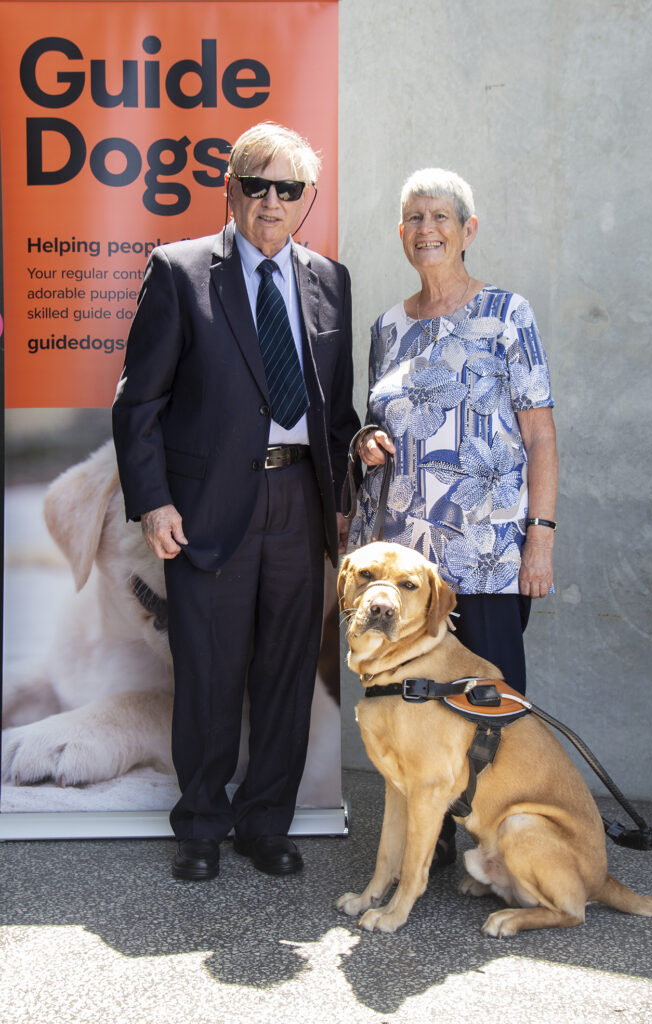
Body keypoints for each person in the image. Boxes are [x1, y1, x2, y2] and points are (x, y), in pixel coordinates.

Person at [112, 122, 359, 881]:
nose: (271, 201)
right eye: (258, 184)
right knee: (209, 669)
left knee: (286, 670)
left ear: (307, 199)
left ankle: (265, 823)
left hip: (298, 501)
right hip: (207, 505)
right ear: (232, 190)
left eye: (288, 188)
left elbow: (336, 409)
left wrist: (347, 490)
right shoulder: (180, 271)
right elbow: (138, 403)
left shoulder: (330, 279)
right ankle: (201, 825)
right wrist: (153, 503)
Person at [349, 167, 558, 867]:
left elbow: (539, 436)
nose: (425, 230)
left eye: (439, 216)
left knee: (487, 709)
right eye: (412, 218)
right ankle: (427, 844)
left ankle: (500, 845)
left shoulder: (507, 314)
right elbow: (376, 426)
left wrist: (541, 537)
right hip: (405, 563)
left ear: (467, 230)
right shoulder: (386, 326)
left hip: (489, 553)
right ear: (400, 233)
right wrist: (362, 442)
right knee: (413, 703)